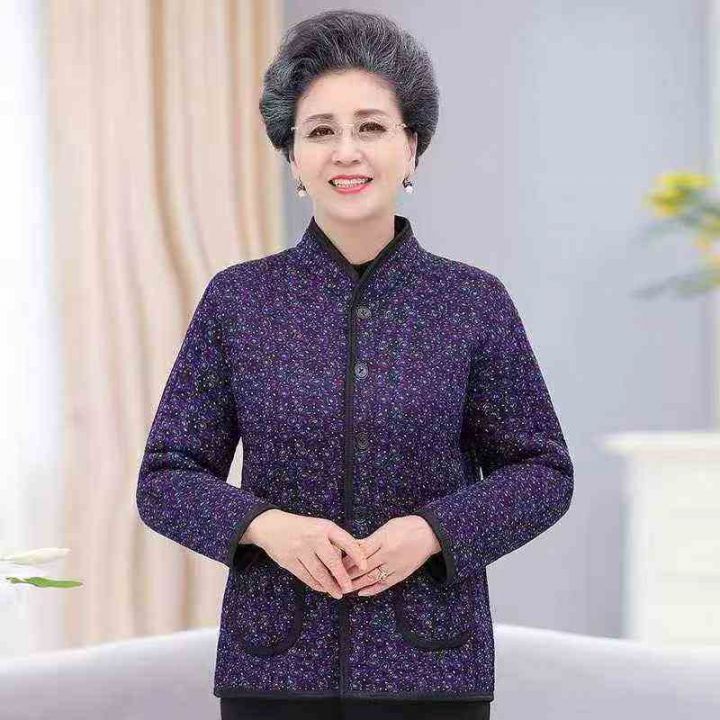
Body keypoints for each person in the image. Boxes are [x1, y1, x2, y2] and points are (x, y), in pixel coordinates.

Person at [136, 9, 574, 720]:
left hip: (432, 669)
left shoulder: (472, 303)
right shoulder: (239, 301)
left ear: (412, 148)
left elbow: (543, 472)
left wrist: (432, 532)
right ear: (292, 157)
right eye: (320, 132)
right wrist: (268, 527)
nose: (346, 152)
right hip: (272, 669)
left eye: (371, 127)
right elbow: (166, 477)